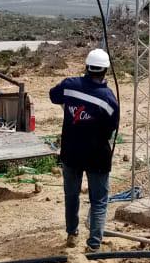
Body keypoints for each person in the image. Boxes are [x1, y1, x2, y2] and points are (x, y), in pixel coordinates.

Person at [49, 48, 120, 251]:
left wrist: (71, 109)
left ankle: (72, 234)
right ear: (105, 71)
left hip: (71, 152)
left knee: (71, 195)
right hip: (97, 155)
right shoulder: (108, 99)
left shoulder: (69, 85)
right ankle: (94, 245)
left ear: (87, 67)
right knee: (98, 201)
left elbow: (53, 96)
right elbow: (112, 125)